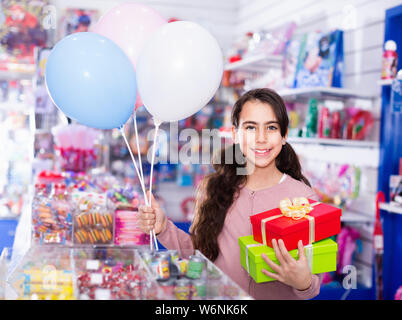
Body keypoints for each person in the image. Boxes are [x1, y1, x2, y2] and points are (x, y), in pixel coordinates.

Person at [138, 88, 322, 300]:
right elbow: (201, 255)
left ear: (284, 135)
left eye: (271, 127)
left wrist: (303, 282)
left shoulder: (304, 199)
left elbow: (313, 281)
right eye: (250, 127)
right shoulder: (215, 188)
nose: (261, 138)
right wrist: (163, 229)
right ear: (236, 135)